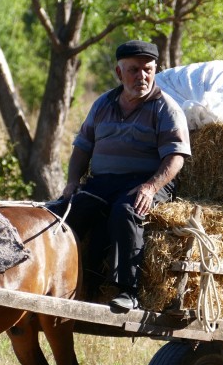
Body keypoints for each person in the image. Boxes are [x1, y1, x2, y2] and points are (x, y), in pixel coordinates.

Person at [53, 40, 191, 312]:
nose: (142, 76)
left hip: (145, 182)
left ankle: (128, 291)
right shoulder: (102, 104)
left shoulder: (166, 108)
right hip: (103, 182)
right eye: (134, 70)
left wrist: (151, 187)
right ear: (119, 73)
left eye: (148, 69)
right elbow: (82, 148)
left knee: (126, 212)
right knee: (66, 213)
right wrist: (72, 182)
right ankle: (70, 283)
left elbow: (175, 157)